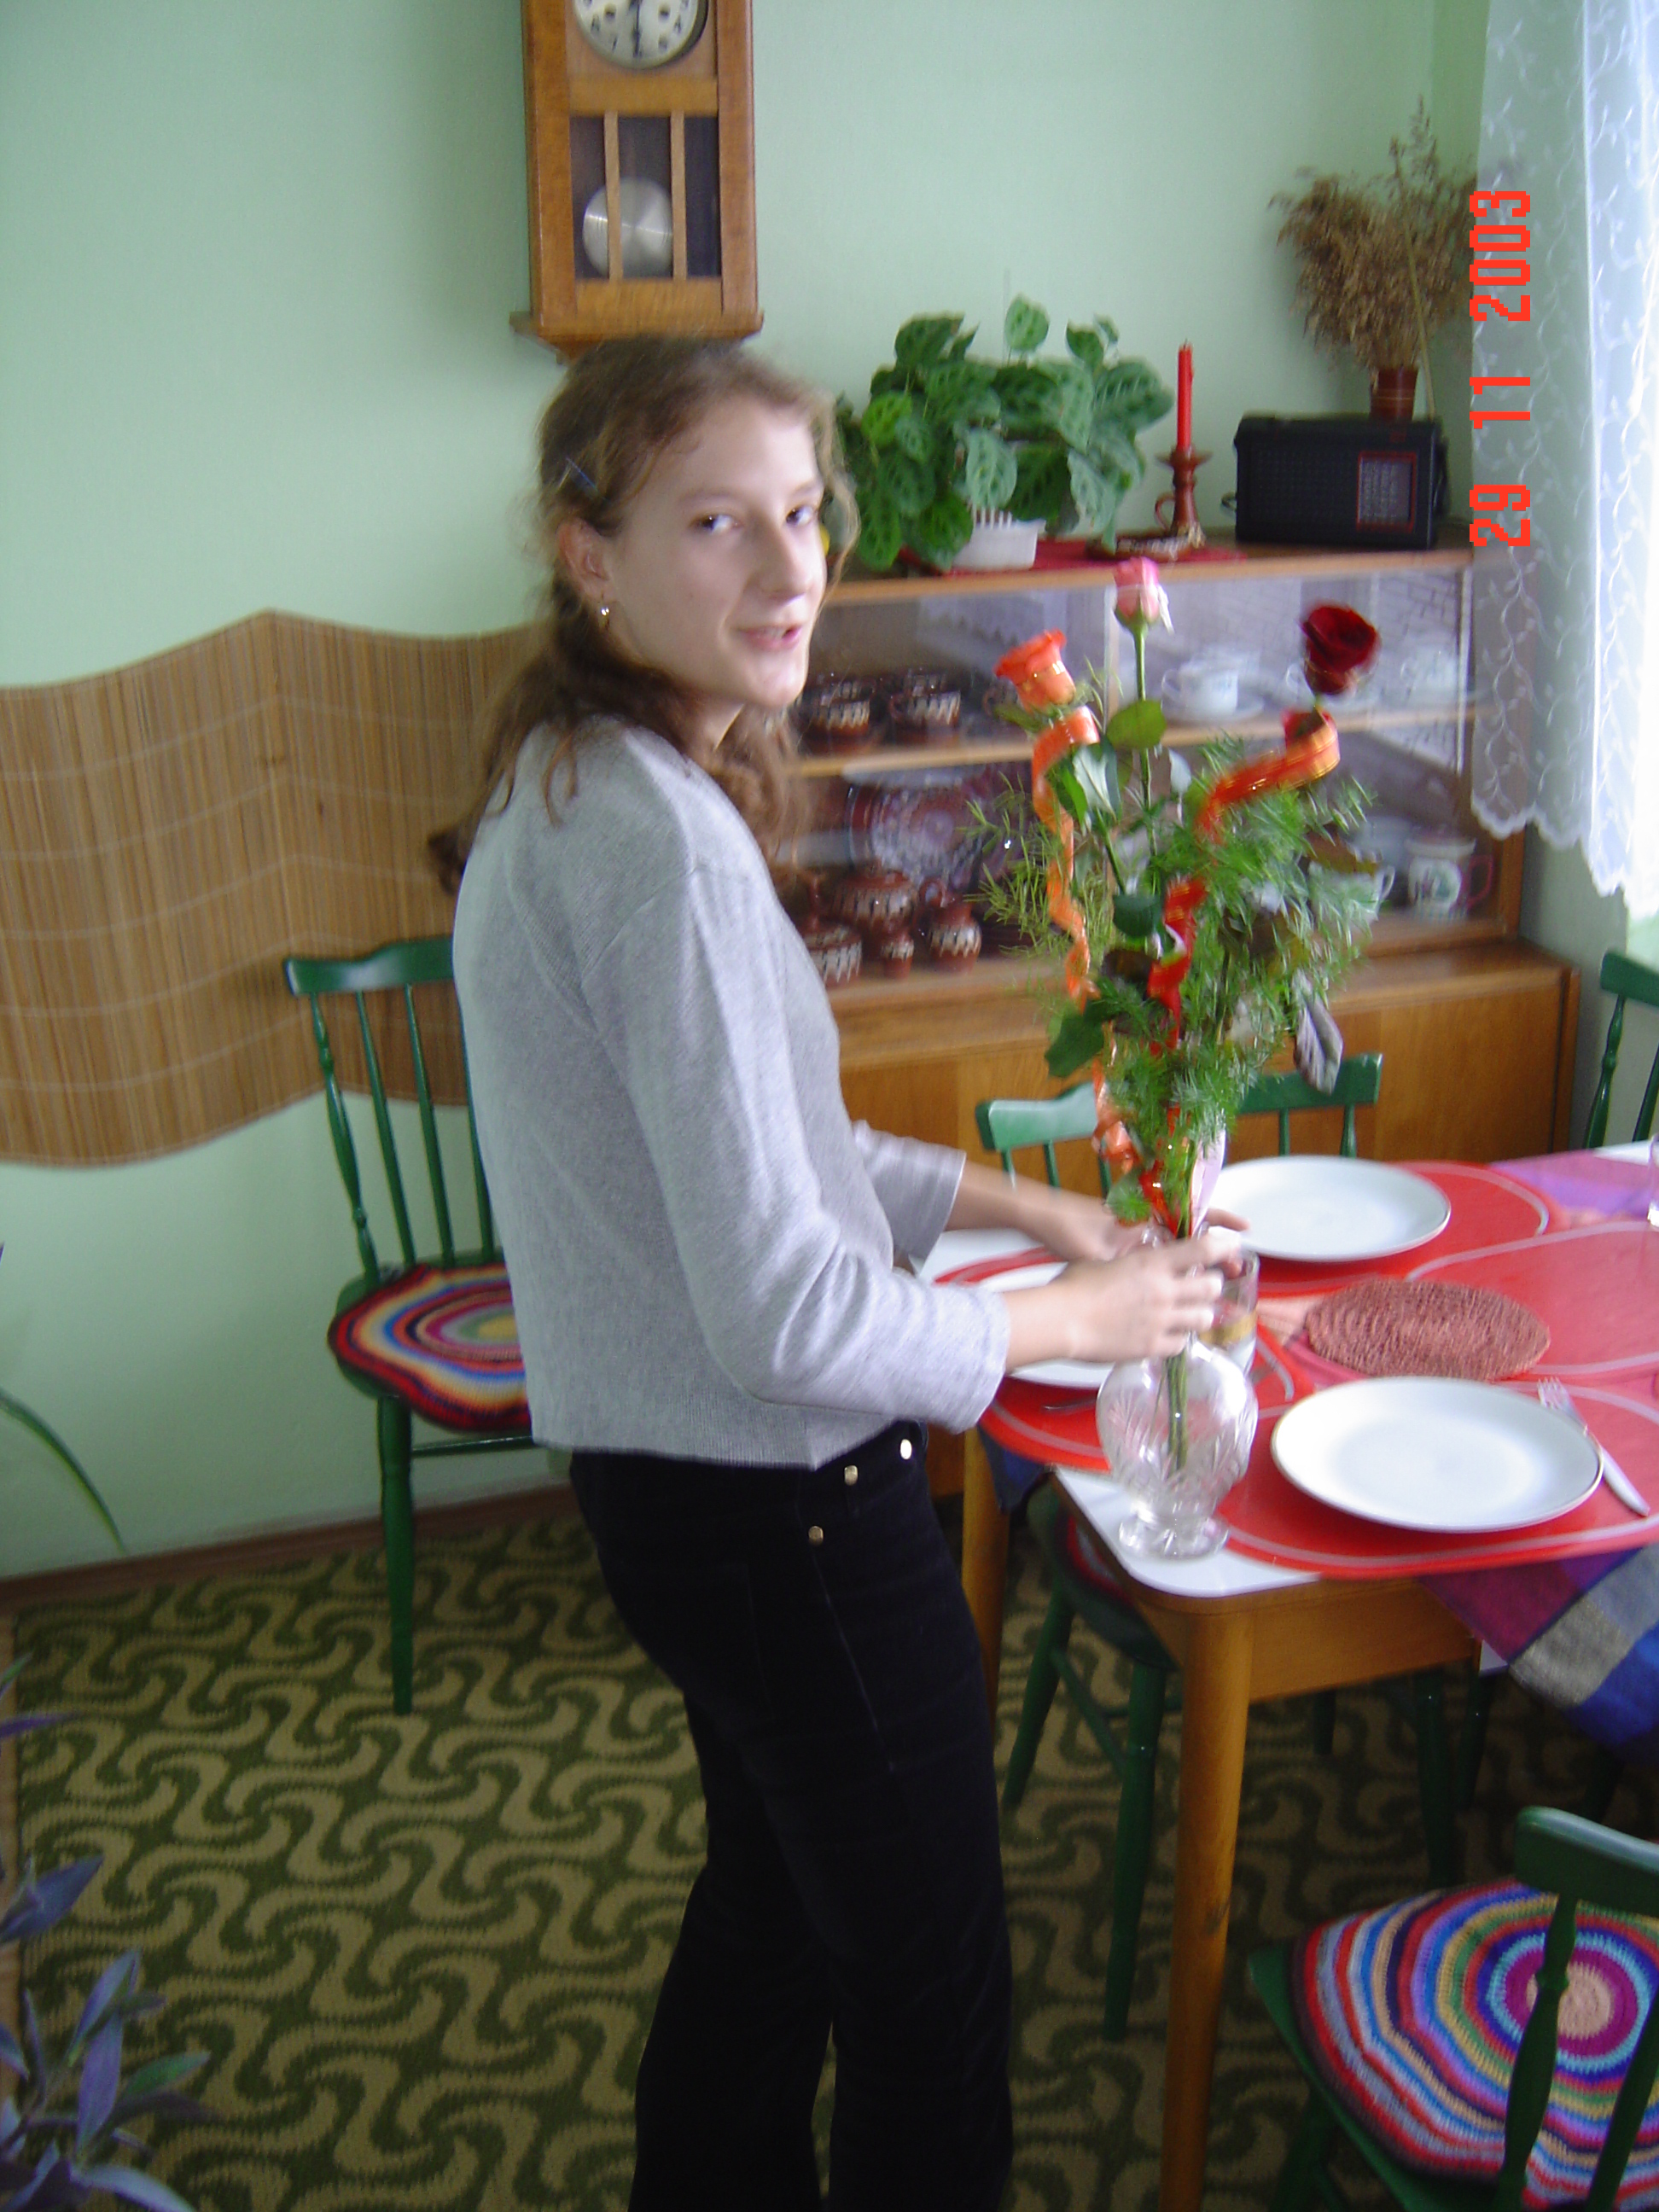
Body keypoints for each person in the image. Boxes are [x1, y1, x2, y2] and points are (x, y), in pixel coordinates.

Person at [435, 335, 1232, 2212]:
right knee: (928, 1998)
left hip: (676, 1502)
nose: (792, 569)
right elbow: (784, 1311)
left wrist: (1024, 1207)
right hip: (785, 1511)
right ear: (590, 556)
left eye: (803, 515)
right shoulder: (661, 850)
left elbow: (765, 1157)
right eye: (719, 523)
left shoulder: (578, 781)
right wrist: (1069, 1318)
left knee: (778, 1909)